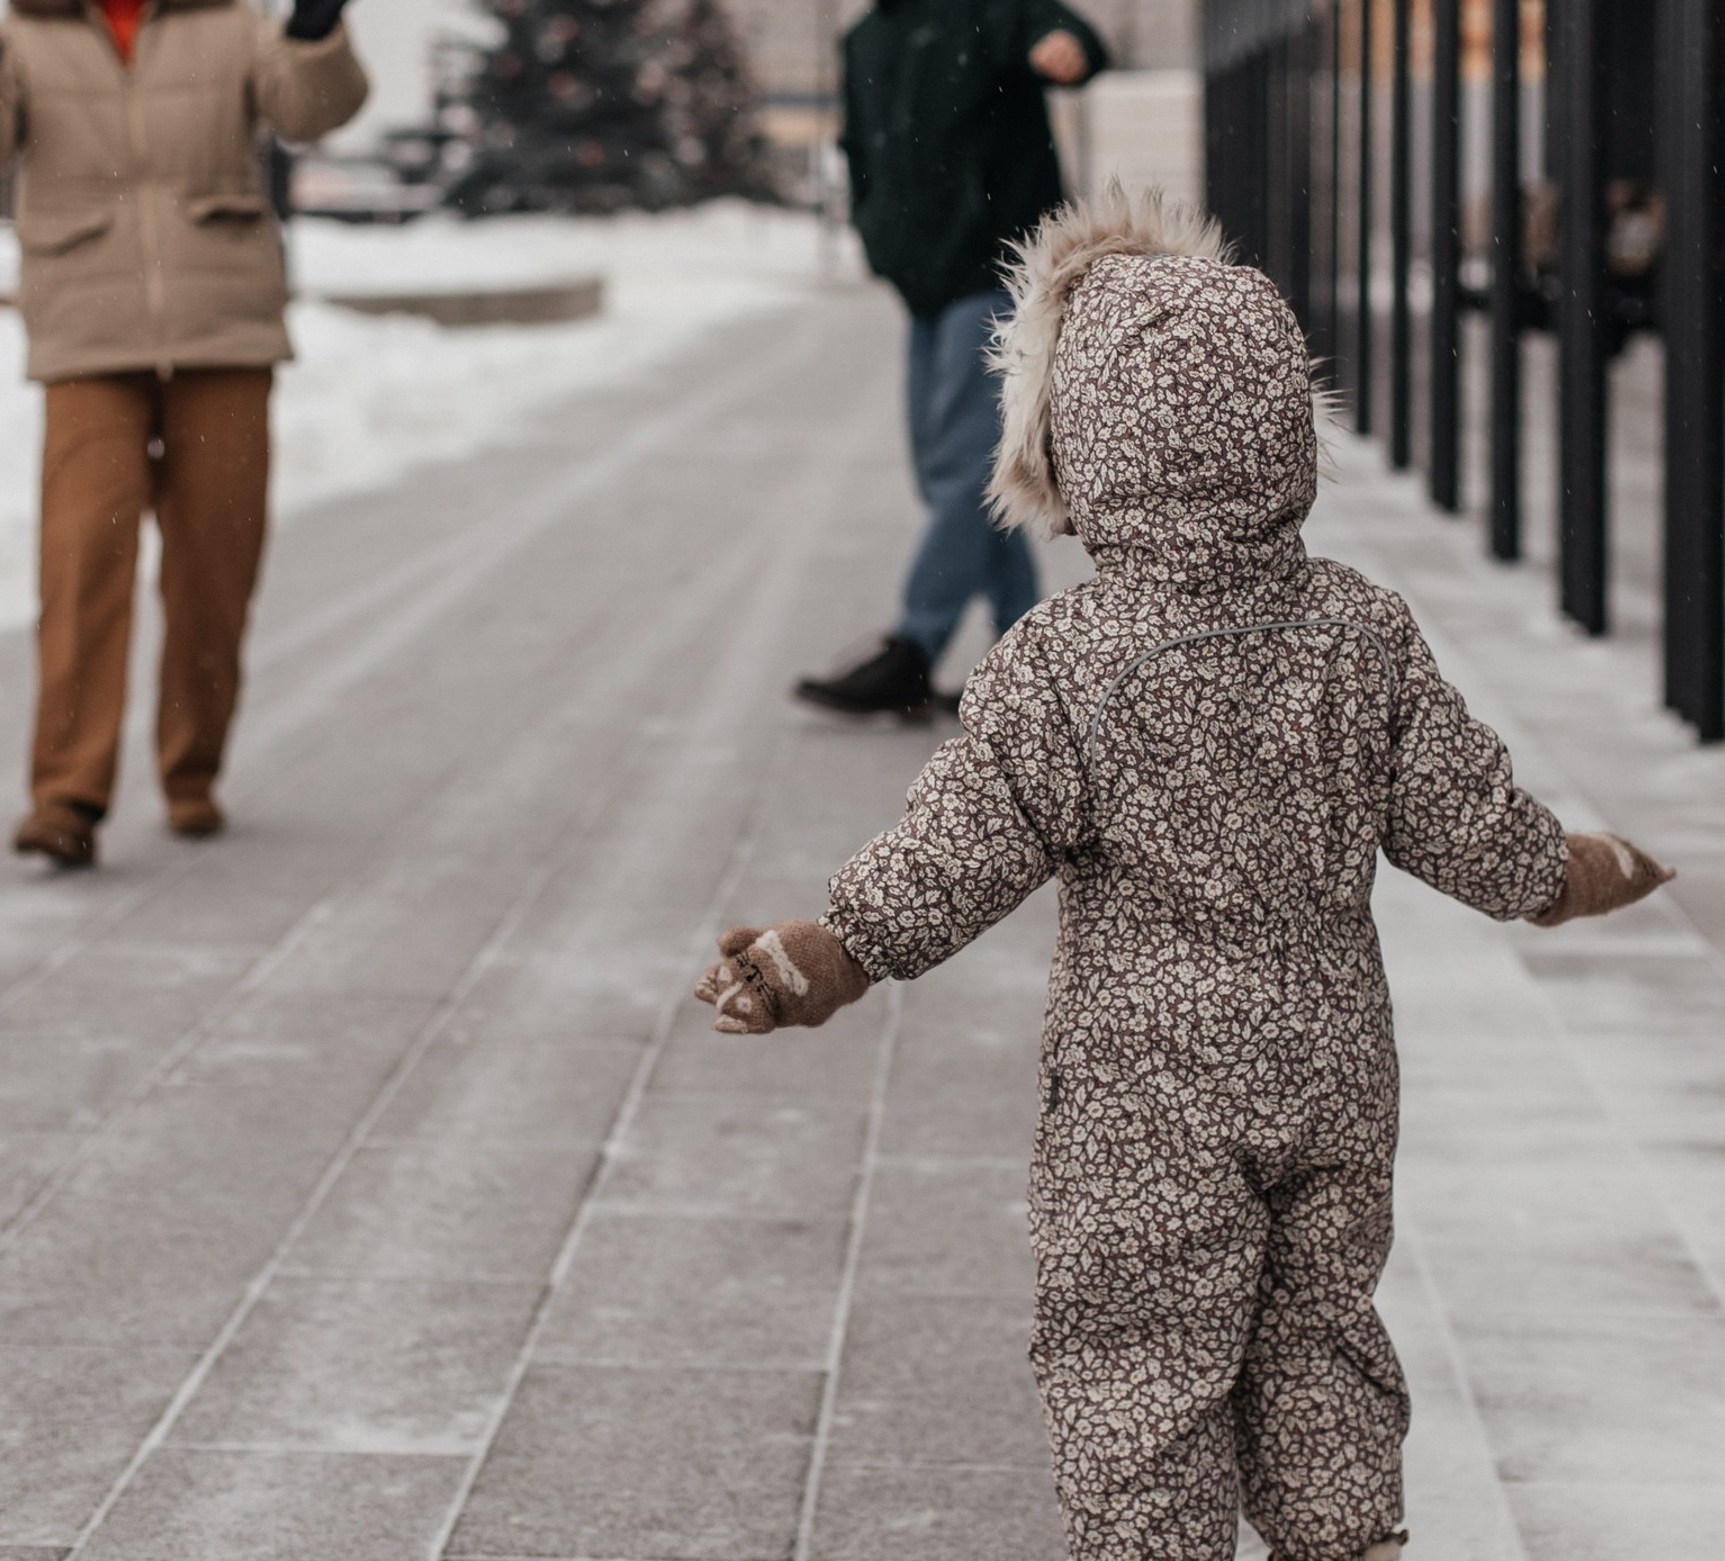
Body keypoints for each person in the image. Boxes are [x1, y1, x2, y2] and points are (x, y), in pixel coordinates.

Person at [698, 190, 1675, 1561]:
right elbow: (1470, 824)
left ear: (1074, 447)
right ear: (1289, 425)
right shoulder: (1358, 632)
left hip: (1142, 1098)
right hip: (1333, 1064)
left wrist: (834, 954)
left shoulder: (1069, 661)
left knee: (1139, 1370)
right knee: (1322, 1343)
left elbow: (961, 846)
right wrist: (1568, 870)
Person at [0, 0, 373, 868]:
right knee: (81, 569)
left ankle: (192, 769)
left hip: (221, 333)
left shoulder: (227, 19)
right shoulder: (25, 33)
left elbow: (308, 112)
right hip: (89, 340)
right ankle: (64, 799)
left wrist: (312, 36)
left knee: (215, 569)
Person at [795, 0, 1107, 717]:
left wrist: (1063, 49)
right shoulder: (864, 39)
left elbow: (1072, 35)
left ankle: (914, 640)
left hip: (1001, 270)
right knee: (960, 475)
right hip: (925, 285)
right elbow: (860, 152)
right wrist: (875, 234)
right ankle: (1033, 666)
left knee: (966, 465)